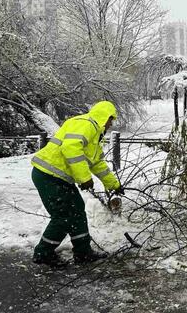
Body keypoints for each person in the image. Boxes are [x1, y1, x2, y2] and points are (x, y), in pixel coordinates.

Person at [31, 101, 123, 267]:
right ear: (104, 117)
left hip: (58, 176)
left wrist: (114, 185)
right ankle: (43, 253)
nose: (111, 124)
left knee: (77, 210)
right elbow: (71, 149)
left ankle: (83, 252)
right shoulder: (86, 124)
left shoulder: (94, 135)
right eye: (111, 120)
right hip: (48, 175)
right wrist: (84, 178)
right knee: (63, 216)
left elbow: (97, 164)